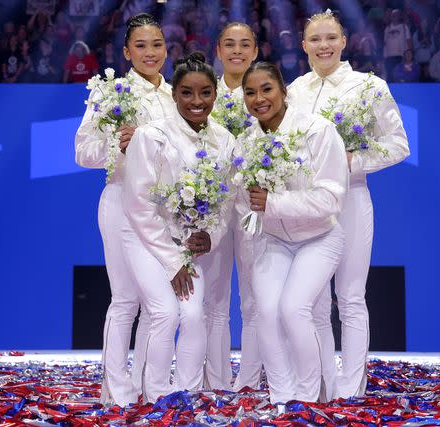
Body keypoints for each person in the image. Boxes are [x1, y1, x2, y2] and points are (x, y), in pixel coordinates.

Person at [288, 11, 409, 399]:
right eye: (315, 39)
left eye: (330, 38)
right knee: (316, 300)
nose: (323, 46)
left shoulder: (369, 87)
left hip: (352, 199)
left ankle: (351, 388)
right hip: (309, 203)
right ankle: (323, 384)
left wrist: (353, 161)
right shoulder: (294, 91)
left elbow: (397, 144)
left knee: (352, 297)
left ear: (344, 41)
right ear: (303, 45)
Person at [75, 13, 176, 407]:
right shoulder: (110, 93)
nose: (150, 53)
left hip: (166, 209)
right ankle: (116, 392)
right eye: (141, 46)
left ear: (166, 48)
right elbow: (83, 152)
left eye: (156, 45)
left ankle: (147, 387)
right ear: (126, 52)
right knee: (125, 301)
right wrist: (116, 144)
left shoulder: (176, 96)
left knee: (159, 304)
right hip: (119, 201)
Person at [122, 52, 234, 402]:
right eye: (187, 93)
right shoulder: (151, 136)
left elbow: (228, 202)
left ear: (216, 93)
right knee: (166, 313)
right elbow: (139, 206)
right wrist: (173, 262)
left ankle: (185, 393)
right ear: (174, 95)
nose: (196, 101)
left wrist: (211, 235)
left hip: (189, 248)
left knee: (193, 315)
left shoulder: (225, 140)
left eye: (205, 93)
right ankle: (156, 396)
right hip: (146, 239)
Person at [237, 62, 348, 402]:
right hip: (273, 239)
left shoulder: (317, 130)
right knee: (266, 311)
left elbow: (331, 199)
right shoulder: (247, 141)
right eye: (250, 92)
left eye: (267, 89)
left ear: (284, 91)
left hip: (320, 237)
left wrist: (275, 202)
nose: (259, 98)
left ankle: (308, 397)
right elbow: (245, 202)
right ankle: (282, 398)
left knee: (294, 308)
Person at [211, 21, 259, 392]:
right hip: (209, 208)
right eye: (230, 44)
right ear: (218, 50)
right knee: (213, 297)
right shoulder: (204, 94)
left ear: (255, 52)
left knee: (254, 297)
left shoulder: (267, 93)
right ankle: (215, 379)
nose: (237, 51)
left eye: (245, 45)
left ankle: (250, 378)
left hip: (253, 210)